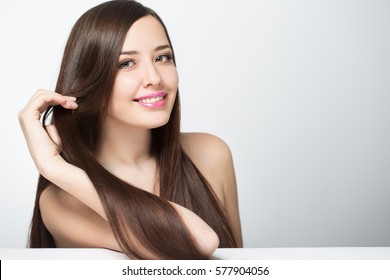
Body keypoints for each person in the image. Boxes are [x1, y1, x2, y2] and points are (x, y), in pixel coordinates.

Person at [18, 0, 242, 260]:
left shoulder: (211, 154)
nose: (154, 77)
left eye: (162, 57)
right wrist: (51, 166)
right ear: (90, 79)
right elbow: (199, 241)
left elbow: (239, 267)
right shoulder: (62, 198)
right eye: (126, 64)